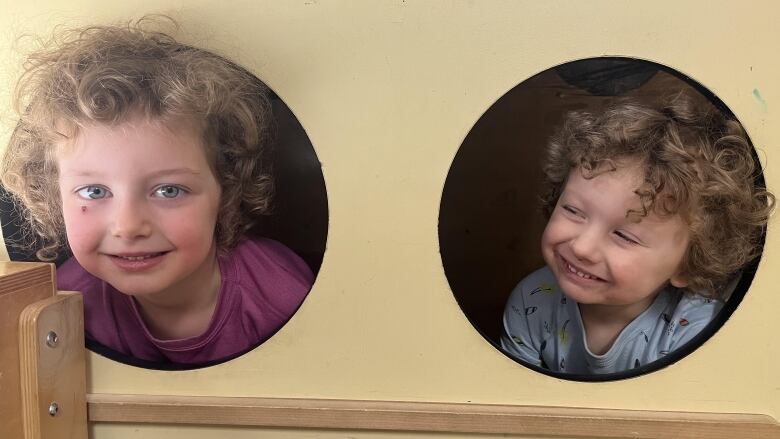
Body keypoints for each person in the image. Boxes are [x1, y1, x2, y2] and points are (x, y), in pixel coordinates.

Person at [1, 18, 314, 366]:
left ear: (224, 192)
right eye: (93, 191)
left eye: (168, 190)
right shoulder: (66, 306)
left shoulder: (278, 292)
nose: (129, 226)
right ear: (55, 198)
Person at [500, 95, 774, 374]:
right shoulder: (532, 300)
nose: (582, 247)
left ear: (689, 265)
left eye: (624, 236)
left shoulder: (698, 333)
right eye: (573, 210)